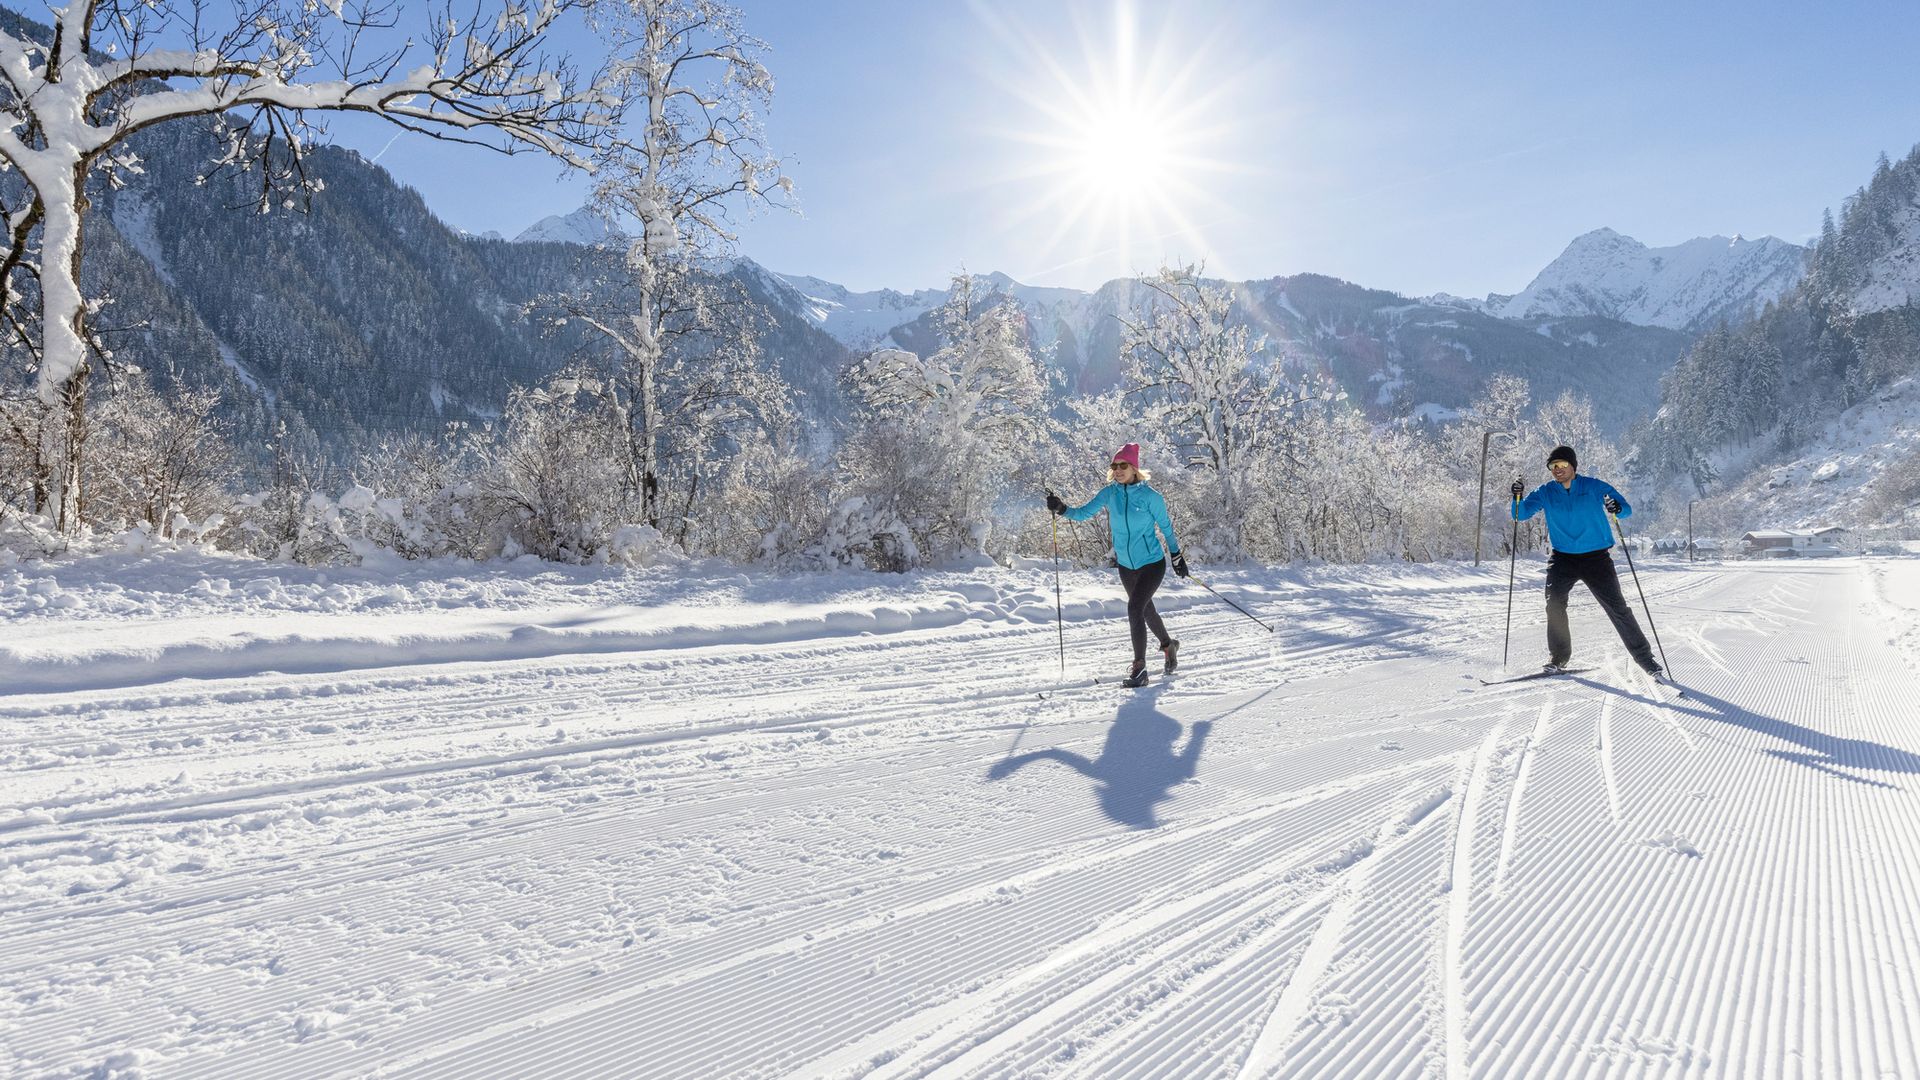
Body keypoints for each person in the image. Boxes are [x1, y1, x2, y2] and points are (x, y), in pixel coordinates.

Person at [1511, 445, 1664, 679]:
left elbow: (1625, 511)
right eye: (1553, 466)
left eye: (1562, 465)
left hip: (1596, 558)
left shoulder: (1594, 487)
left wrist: (1617, 508)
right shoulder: (1546, 492)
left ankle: (1645, 659)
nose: (1557, 470)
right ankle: (1559, 657)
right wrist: (1517, 497)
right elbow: (1519, 515)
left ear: (1573, 466)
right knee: (1554, 604)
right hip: (1563, 558)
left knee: (1617, 608)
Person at [1047, 443, 1187, 688]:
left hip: (1152, 564)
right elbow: (1081, 514)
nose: (1118, 470)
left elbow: (1166, 527)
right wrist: (1061, 508)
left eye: (1123, 465)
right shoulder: (1110, 493)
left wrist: (1176, 556)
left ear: (1134, 468)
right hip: (1126, 565)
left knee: (1135, 608)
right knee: (1145, 610)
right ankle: (1168, 646)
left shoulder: (1151, 497)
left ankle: (1139, 668)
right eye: (1115, 466)